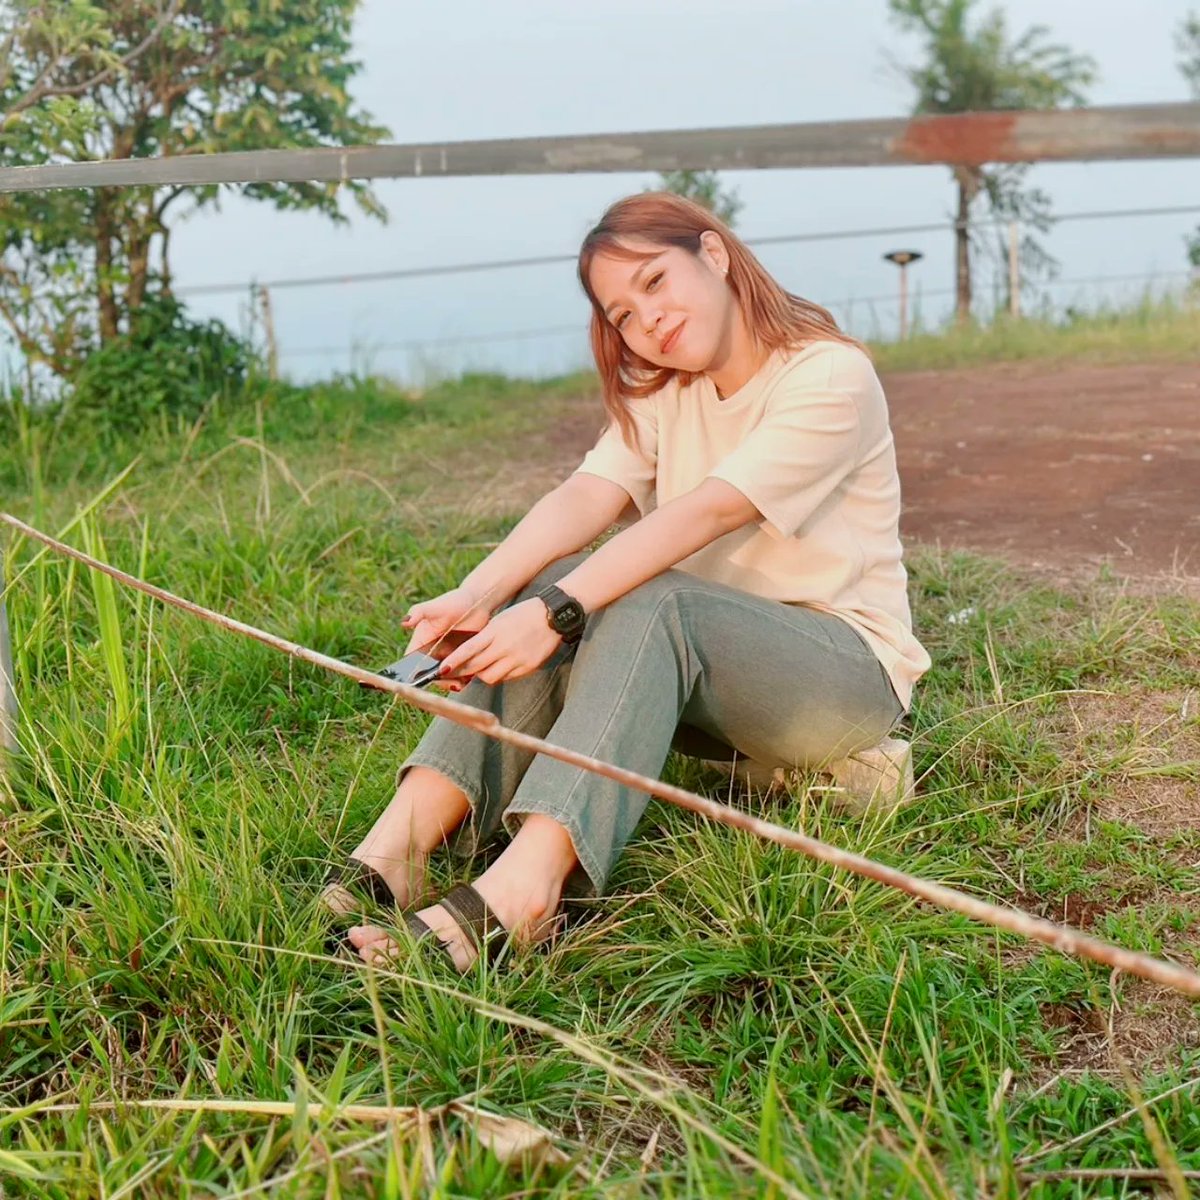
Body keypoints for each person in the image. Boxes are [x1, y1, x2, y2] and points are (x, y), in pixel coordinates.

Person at [325, 191, 931, 973]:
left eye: (655, 282)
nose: (645, 320)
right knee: (574, 583)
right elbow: (586, 493)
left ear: (714, 256)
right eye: (621, 313)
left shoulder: (828, 375)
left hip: (842, 675)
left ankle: (527, 890)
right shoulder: (664, 390)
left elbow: (711, 511)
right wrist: (480, 596)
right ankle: (398, 849)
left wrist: (558, 612)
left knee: (631, 594)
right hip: (707, 680)